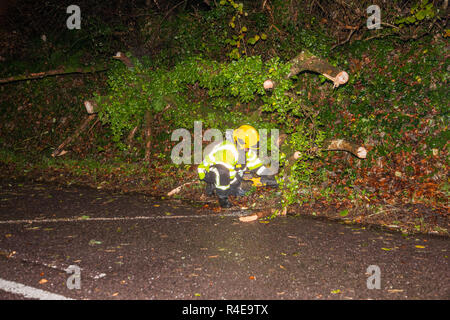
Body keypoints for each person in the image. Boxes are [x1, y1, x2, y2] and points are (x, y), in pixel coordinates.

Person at [198, 124, 277, 208]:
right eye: (248, 146)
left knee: (243, 190)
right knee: (224, 174)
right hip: (209, 172)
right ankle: (220, 195)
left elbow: (256, 165)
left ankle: (223, 187)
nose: (250, 149)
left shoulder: (245, 151)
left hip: (227, 173)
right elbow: (224, 172)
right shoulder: (227, 150)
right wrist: (238, 183)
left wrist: (269, 175)